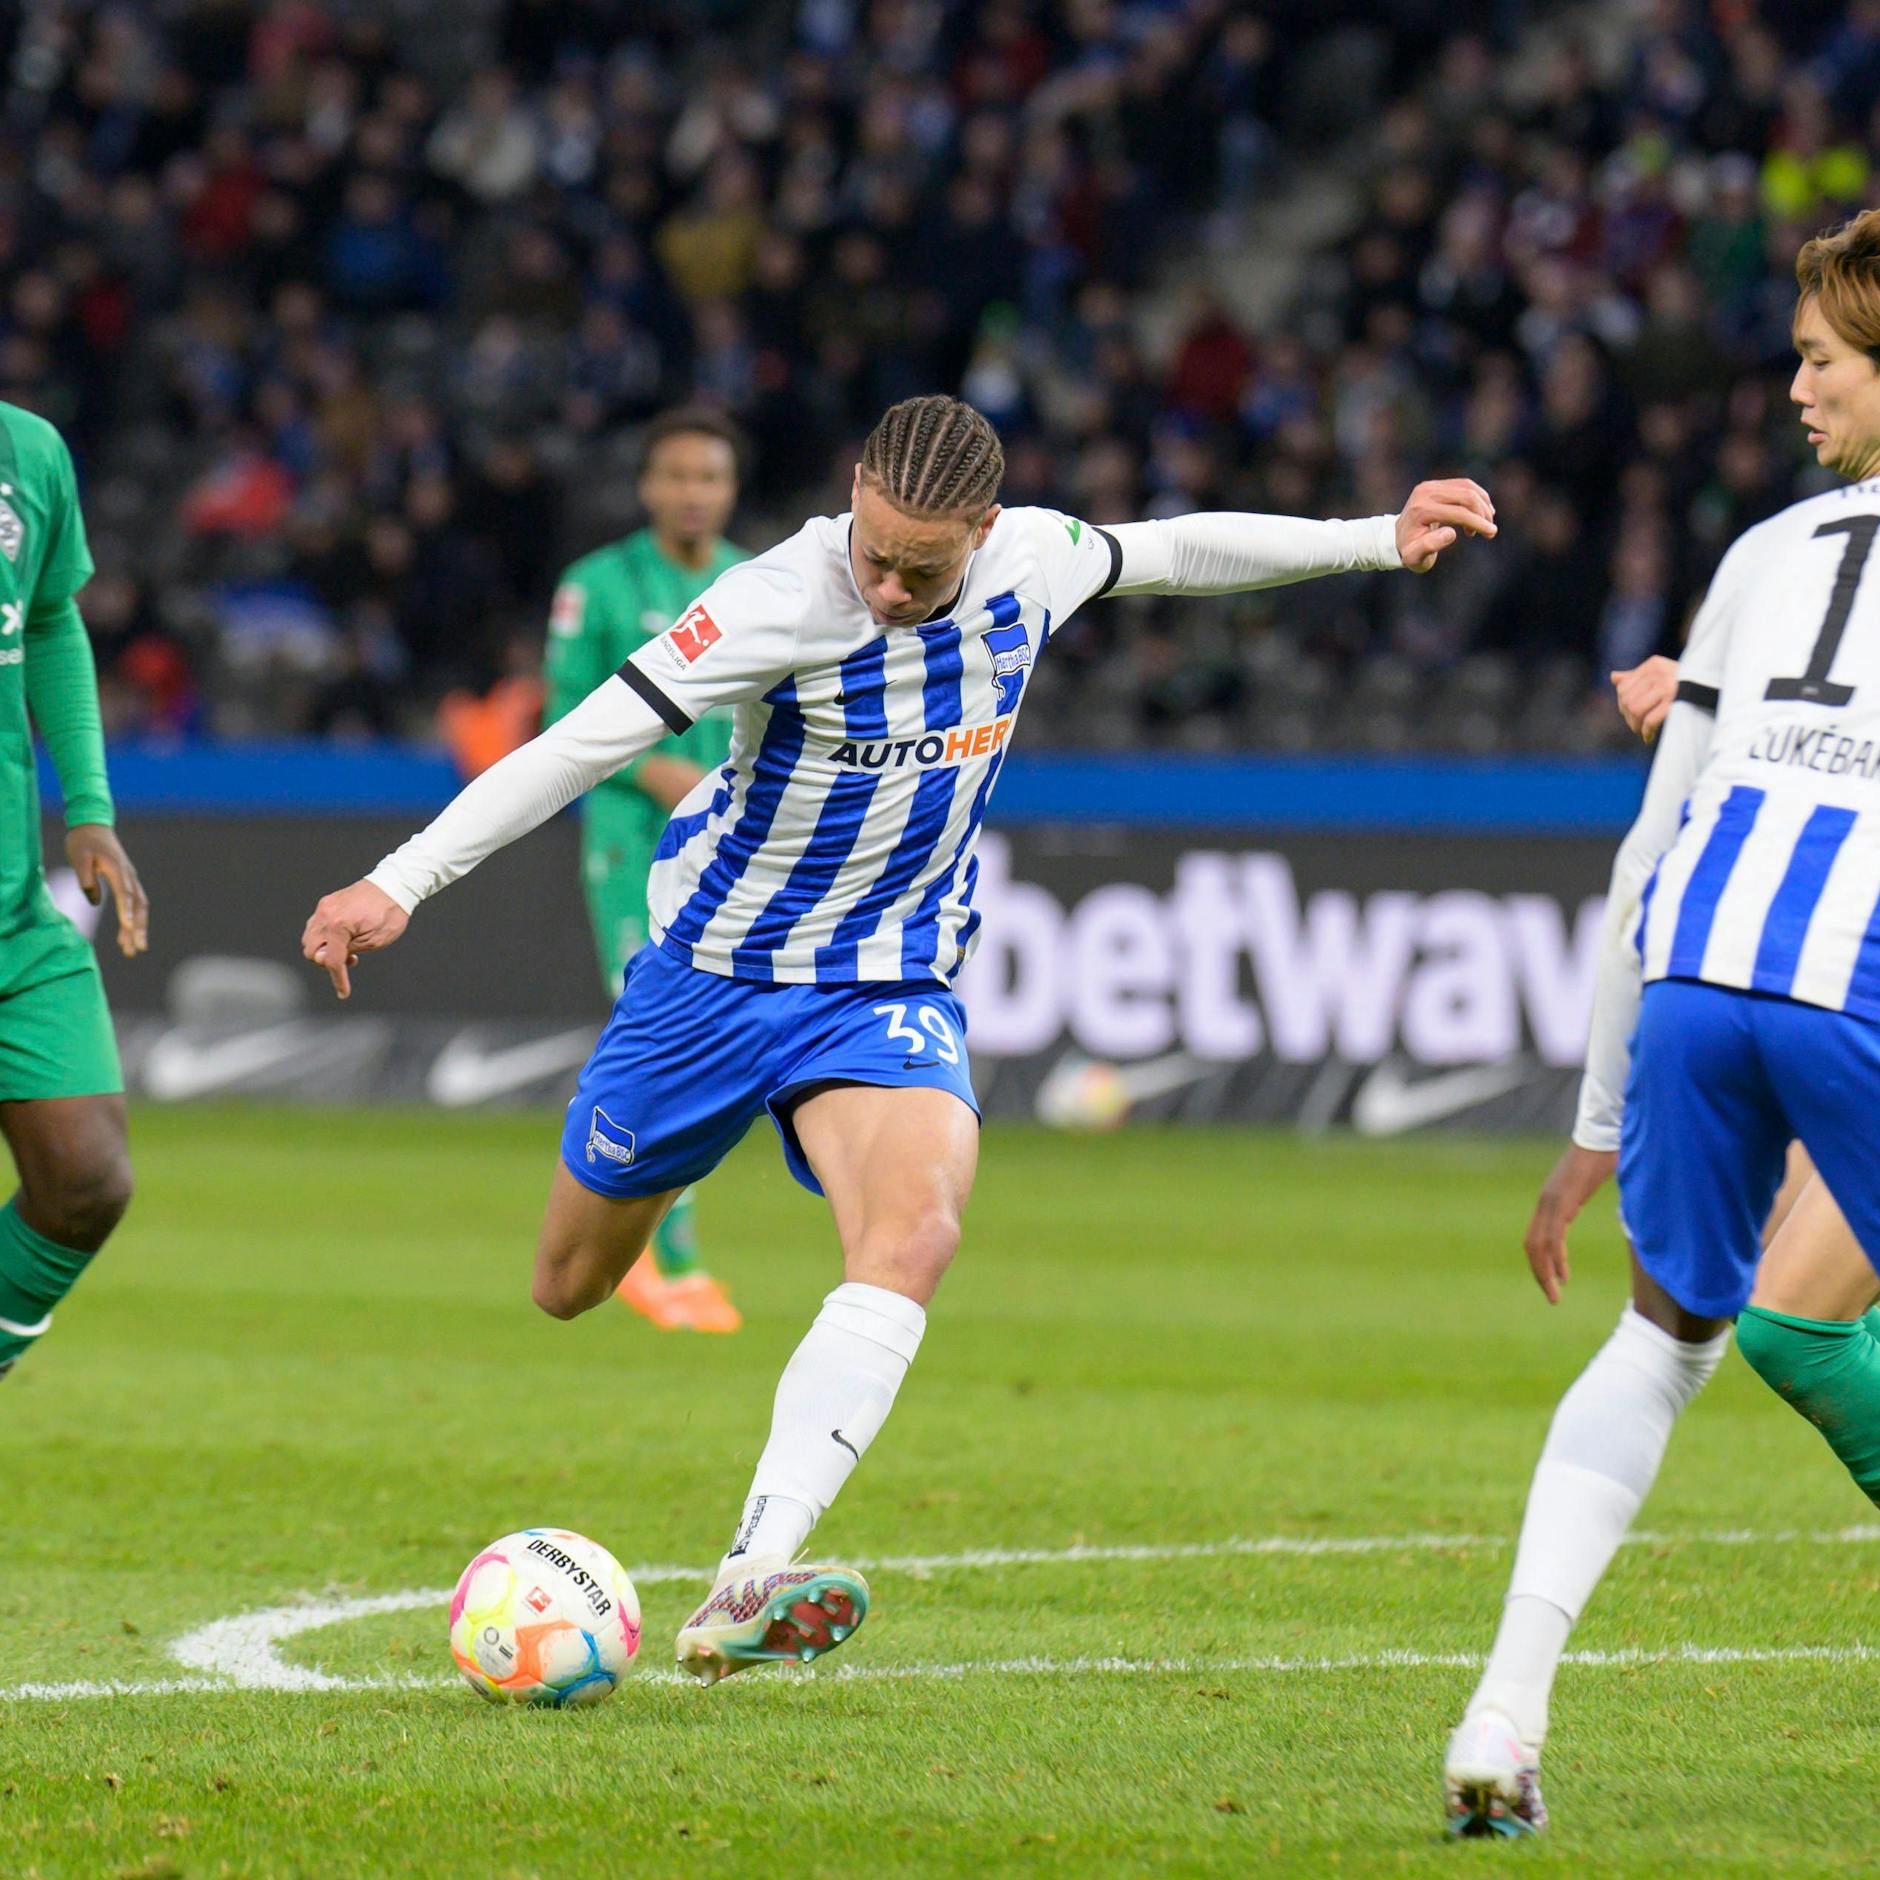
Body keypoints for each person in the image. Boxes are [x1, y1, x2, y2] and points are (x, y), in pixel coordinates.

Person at [302, 394, 1494, 1685]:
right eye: (870, 551)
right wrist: (400, 881)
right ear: (855, 493)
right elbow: (589, 740)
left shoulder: (1035, 557)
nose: (883, 585)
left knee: (915, 1233)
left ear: (982, 530)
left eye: (919, 570)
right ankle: (667, 1246)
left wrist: (1377, 536)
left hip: (883, 983)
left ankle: (750, 1574)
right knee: (570, 1283)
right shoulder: (774, 598)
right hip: (708, 979)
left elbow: (1177, 550)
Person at [1444, 209, 1880, 1837]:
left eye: (1822, 362)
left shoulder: (1767, 559)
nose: (1792, 389)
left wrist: (1594, 1121)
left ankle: (1498, 1723)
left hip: (1699, 980)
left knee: (1666, 1343)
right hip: (1855, 983)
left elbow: (1649, 850)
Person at [543, 408, 749, 1335]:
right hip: (633, 839)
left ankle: (652, 1253)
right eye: (677, 475)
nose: (692, 493)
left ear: (730, 488)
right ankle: (664, 1259)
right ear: (646, 486)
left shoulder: (757, 580)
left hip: (733, 844)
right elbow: (563, 712)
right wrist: (650, 766)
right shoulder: (598, 584)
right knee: (656, 1029)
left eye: (709, 477)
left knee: (707, 1035)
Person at [0, 401, 149, 1383]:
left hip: (12, 907)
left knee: (86, 1176)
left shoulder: (31, 448)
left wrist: (87, 804)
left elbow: (49, 615)